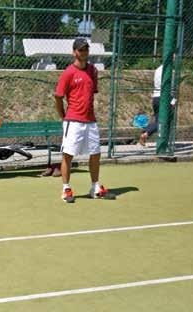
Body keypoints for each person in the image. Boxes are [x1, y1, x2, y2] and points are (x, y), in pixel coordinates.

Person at [54, 38, 112, 203]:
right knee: (68, 155)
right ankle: (66, 189)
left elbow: (90, 93)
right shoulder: (68, 73)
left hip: (91, 121)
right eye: (80, 50)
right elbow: (58, 97)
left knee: (96, 154)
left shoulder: (93, 70)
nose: (84, 52)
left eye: (86, 49)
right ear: (74, 52)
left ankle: (95, 187)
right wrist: (63, 116)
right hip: (73, 121)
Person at [139, 63, 176, 146]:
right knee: (165, 121)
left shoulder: (158, 69)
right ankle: (163, 142)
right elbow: (170, 86)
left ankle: (146, 133)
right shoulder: (168, 70)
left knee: (158, 121)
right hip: (165, 97)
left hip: (156, 97)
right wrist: (173, 100)